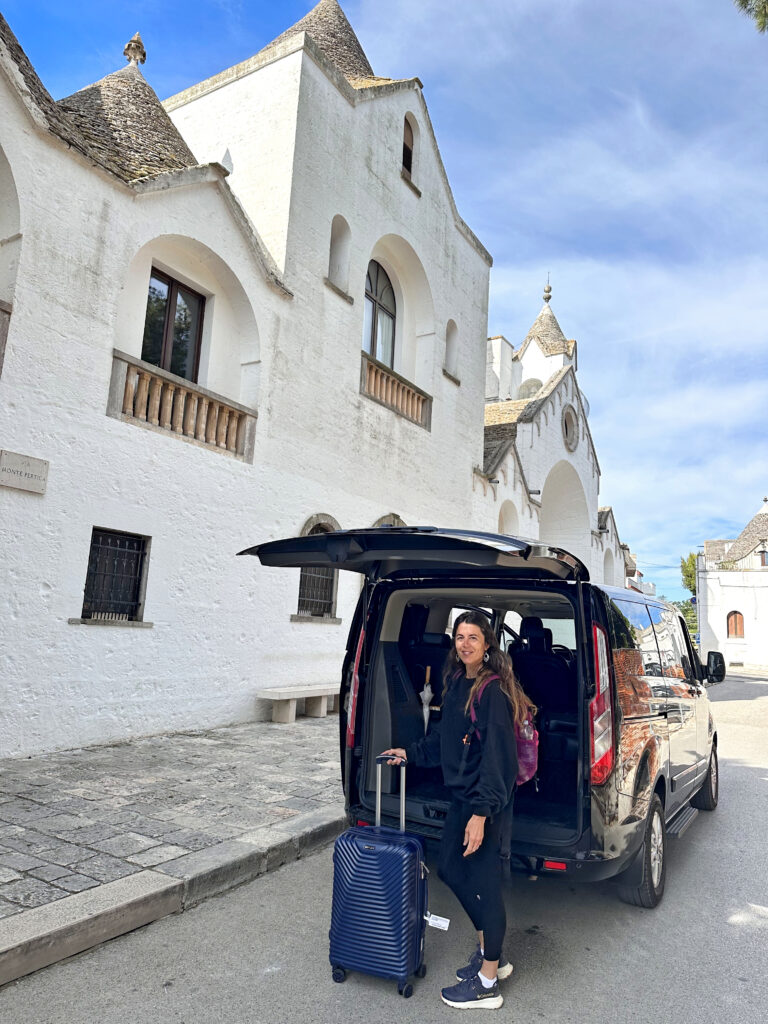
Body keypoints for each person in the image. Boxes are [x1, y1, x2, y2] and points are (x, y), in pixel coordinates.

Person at [381, 610, 533, 1010]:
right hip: (463, 797)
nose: (465, 644)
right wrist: (409, 753)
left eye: (473, 638)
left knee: (484, 883)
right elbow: (443, 741)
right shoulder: (457, 682)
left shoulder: (492, 693)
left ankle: (488, 983)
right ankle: (490, 955)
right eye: (460, 637)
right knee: (450, 868)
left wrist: (481, 814)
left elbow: (499, 761)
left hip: (484, 801)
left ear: (487, 645)